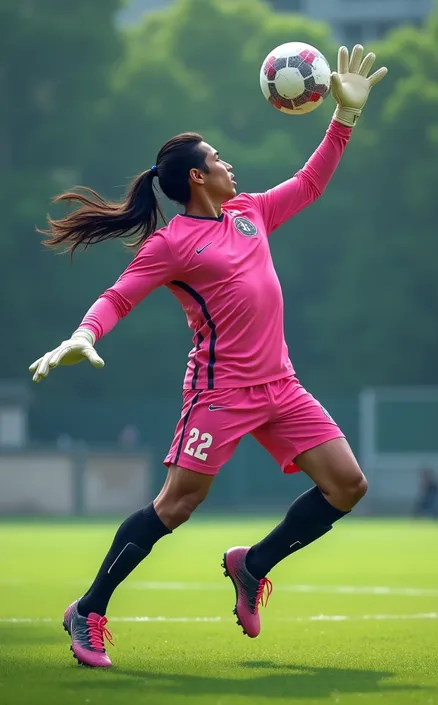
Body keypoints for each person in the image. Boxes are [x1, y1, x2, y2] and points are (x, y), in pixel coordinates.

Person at [29, 45, 387, 668]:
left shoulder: (249, 213)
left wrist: (344, 120)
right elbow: (120, 296)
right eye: (217, 160)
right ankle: (87, 609)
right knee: (176, 506)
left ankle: (252, 565)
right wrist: (84, 335)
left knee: (348, 485)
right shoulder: (173, 244)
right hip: (219, 394)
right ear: (197, 177)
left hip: (281, 386)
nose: (229, 165)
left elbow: (309, 184)